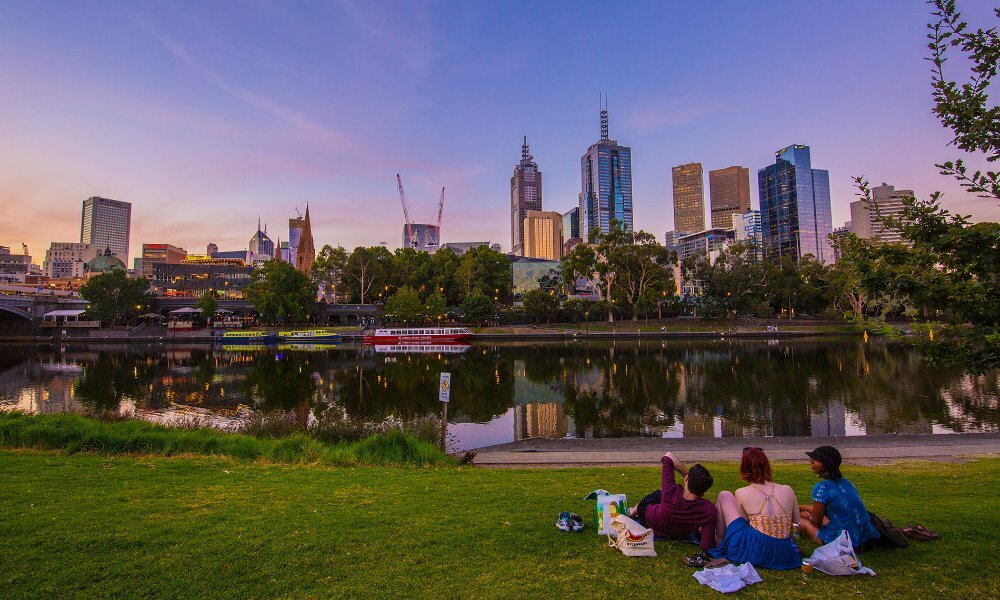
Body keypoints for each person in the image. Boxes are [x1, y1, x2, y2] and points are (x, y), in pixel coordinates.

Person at [706, 447, 802, 570]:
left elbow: (743, 521)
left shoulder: (742, 492)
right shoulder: (787, 489)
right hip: (783, 550)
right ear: (767, 465)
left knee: (724, 495)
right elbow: (796, 520)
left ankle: (719, 542)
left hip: (757, 550)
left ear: (744, 467)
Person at [630, 452, 717, 552]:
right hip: (679, 530)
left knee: (660, 493)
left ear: (686, 479)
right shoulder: (708, 509)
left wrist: (688, 474)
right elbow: (707, 545)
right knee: (662, 496)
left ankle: (632, 511)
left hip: (649, 520)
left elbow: (668, 456)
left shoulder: (671, 491)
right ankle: (633, 510)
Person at [798, 445, 880, 550]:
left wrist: (807, 516)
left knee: (799, 519)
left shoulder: (822, 488)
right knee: (812, 515)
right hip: (866, 536)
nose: (811, 462)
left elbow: (816, 522)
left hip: (845, 542)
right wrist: (800, 507)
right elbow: (828, 509)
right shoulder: (847, 483)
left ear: (826, 464)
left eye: (816, 460)